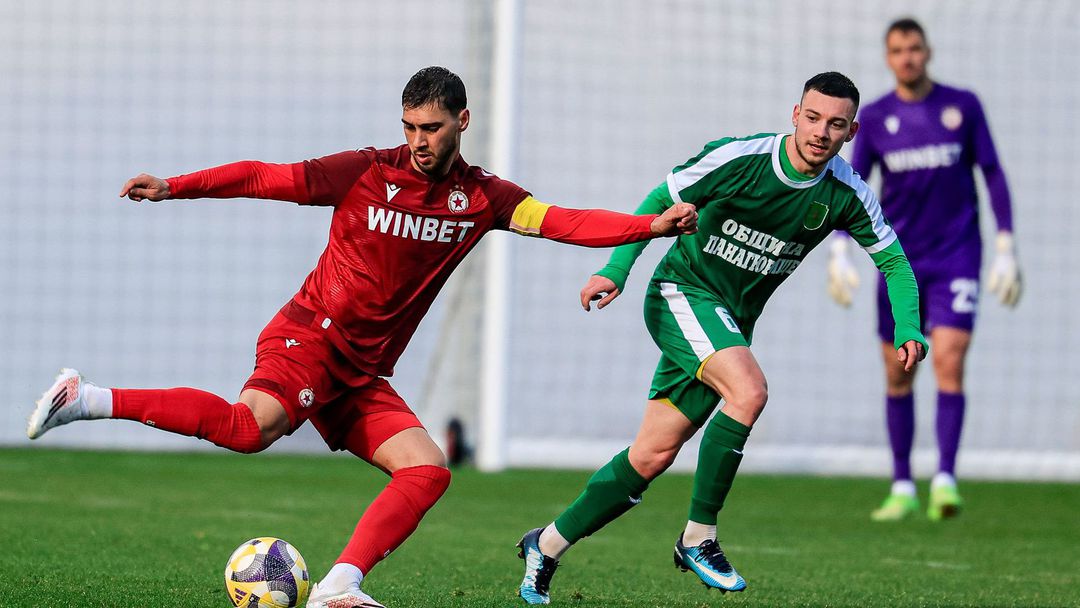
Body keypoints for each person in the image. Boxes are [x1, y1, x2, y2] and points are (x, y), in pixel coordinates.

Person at [26, 66, 698, 608]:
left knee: (427, 470)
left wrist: (648, 227)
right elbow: (262, 176)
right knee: (248, 428)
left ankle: (338, 585)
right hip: (310, 338)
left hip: (360, 372)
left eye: (431, 127)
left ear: (462, 122)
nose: (418, 140)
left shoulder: (484, 198)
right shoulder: (366, 171)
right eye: (409, 126)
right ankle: (86, 398)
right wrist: (175, 186)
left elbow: (563, 221)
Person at [515, 72, 928, 604]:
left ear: (852, 131)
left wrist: (908, 325)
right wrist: (617, 268)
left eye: (835, 124)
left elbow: (894, 261)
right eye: (812, 117)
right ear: (795, 114)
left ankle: (546, 544)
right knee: (749, 392)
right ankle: (698, 537)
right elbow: (661, 198)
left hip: (728, 325)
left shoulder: (846, 193)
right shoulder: (742, 157)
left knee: (651, 456)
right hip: (680, 292)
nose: (820, 132)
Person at [828, 18, 1020, 522]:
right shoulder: (875, 117)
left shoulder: (963, 106)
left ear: (927, 51)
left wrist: (1005, 245)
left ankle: (946, 480)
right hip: (899, 263)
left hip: (957, 255)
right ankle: (901, 485)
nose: (907, 57)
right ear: (888, 58)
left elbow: (992, 172)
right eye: (897, 50)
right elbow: (851, 183)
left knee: (949, 360)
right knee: (899, 370)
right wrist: (839, 250)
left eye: (914, 48)